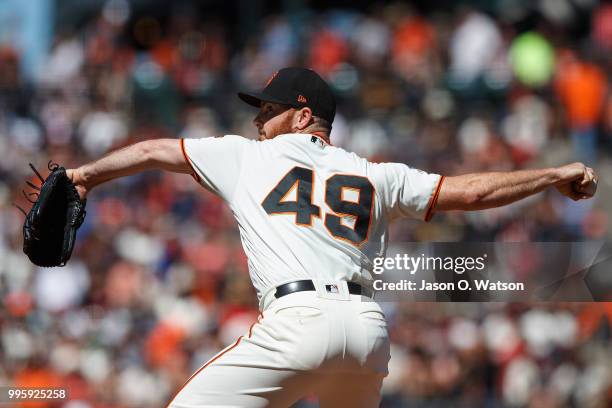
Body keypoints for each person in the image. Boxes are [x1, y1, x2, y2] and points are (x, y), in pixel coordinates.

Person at [66, 67, 598, 407]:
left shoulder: (249, 156)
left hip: (296, 323)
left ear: (302, 116)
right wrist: (552, 176)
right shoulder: (376, 173)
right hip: (366, 332)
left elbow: (151, 151)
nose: (259, 121)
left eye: (269, 111)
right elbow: (474, 194)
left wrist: (84, 176)